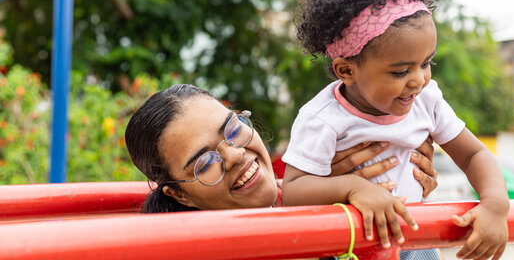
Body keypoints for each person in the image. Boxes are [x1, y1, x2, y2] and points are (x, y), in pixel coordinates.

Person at [281, 0, 509, 260]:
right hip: (351, 246)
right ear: (346, 71)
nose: (418, 80)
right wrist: (353, 188)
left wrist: (495, 204)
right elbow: (294, 190)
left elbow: (473, 154)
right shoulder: (323, 119)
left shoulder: (427, 100)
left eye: (426, 63)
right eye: (401, 71)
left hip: (418, 237)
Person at [125, 83, 438, 215]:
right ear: (179, 194)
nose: (234, 155)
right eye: (204, 161)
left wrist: (401, 177)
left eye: (233, 129)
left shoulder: (327, 181)